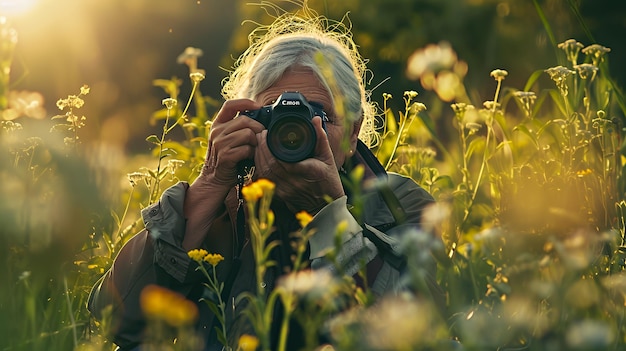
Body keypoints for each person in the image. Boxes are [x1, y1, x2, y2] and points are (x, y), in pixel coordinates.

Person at [88, 8, 441, 351]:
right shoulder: (218, 207)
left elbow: (419, 331)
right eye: (275, 117)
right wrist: (209, 185)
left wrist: (330, 217)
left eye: (319, 117)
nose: (298, 135)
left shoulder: (398, 204)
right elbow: (116, 324)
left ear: (352, 132)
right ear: (243, 119)